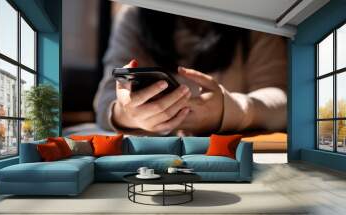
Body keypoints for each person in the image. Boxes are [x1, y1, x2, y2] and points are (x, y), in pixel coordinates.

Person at [93, 6, 287, 136]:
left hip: (229, 150)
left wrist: (232, 110)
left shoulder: (254, 14)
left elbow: (283, 100)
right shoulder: (135, 15)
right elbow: (105, 102)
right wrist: (128, 114)